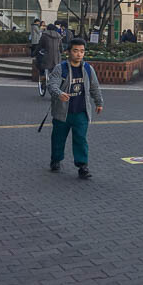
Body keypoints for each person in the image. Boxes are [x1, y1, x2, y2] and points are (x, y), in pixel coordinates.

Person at [47, 38, 104, 179]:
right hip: (62, 112)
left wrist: (99, 102)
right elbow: (51, 85)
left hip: (81, 112)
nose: (79, 54)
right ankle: (56, 160)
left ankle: (82, 166)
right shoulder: (61, 68)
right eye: (75, 51)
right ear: (68, 52)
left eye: (82, 51)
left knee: (81, 139)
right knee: (58, 138)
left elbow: (94, 87)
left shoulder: (87, 69)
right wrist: (59, 94)